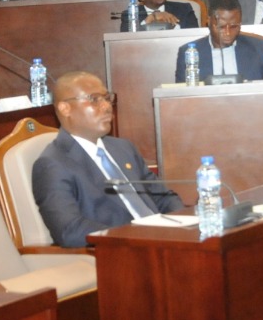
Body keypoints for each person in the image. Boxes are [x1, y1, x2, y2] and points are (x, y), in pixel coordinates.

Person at [31, 71, 183, 247]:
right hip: (121, 249)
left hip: (164, 240)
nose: (107, 107)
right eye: (94, 99)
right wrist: (135, 236)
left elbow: (163, 197)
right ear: (65, 108)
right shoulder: (53, 164)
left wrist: (185, 223)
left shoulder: (123, 148)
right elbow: (70, 230)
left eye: (106, 98)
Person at [175, 0, 263, 82]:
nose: (228, 33)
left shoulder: (257, 47)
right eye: (221, 27)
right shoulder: (189, 52)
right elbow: (181, 96)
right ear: (208, 22)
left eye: (234, 26)